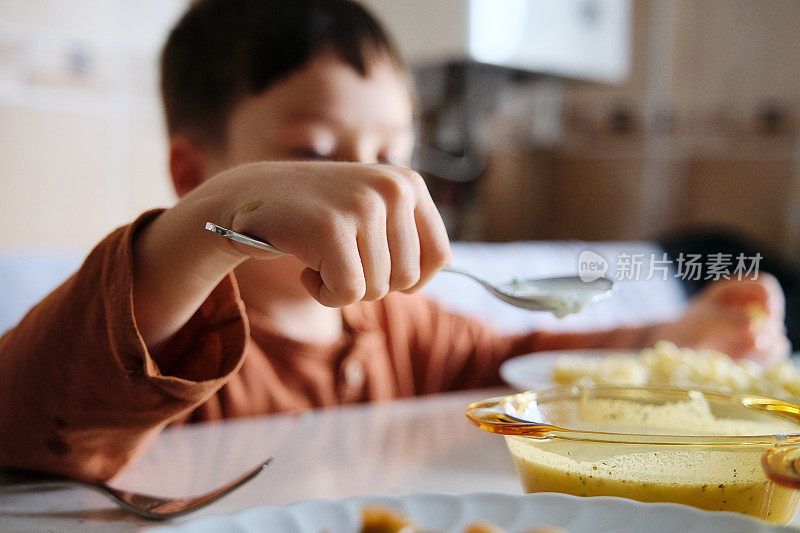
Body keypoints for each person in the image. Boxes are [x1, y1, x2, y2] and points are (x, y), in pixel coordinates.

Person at [0, 0, 788, 482]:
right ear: (192, 170)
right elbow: (34, 421)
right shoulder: (163, 338)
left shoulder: (402, 331)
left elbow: (513, 363)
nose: (366, 184)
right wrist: (220, 218)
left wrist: (669, 335)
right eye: (313, 154)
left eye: (389, 153)